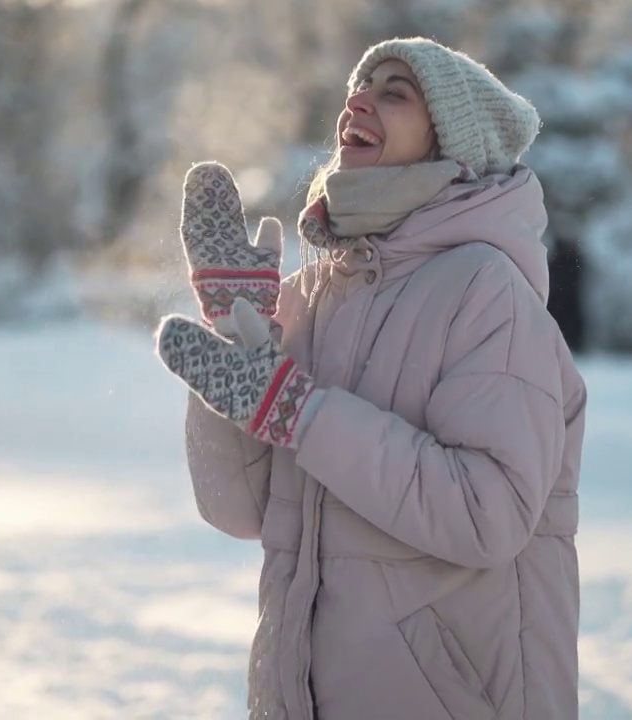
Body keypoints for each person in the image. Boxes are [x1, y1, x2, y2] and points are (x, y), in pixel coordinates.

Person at [154, 36, 587, 720]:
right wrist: (243, 338)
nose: (358, 99)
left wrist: (298, 410)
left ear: (451, 141)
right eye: (360, 87)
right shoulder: (319, 293)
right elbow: (239, 508)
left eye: (395, 92)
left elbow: (488, 515)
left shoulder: (486, 292)